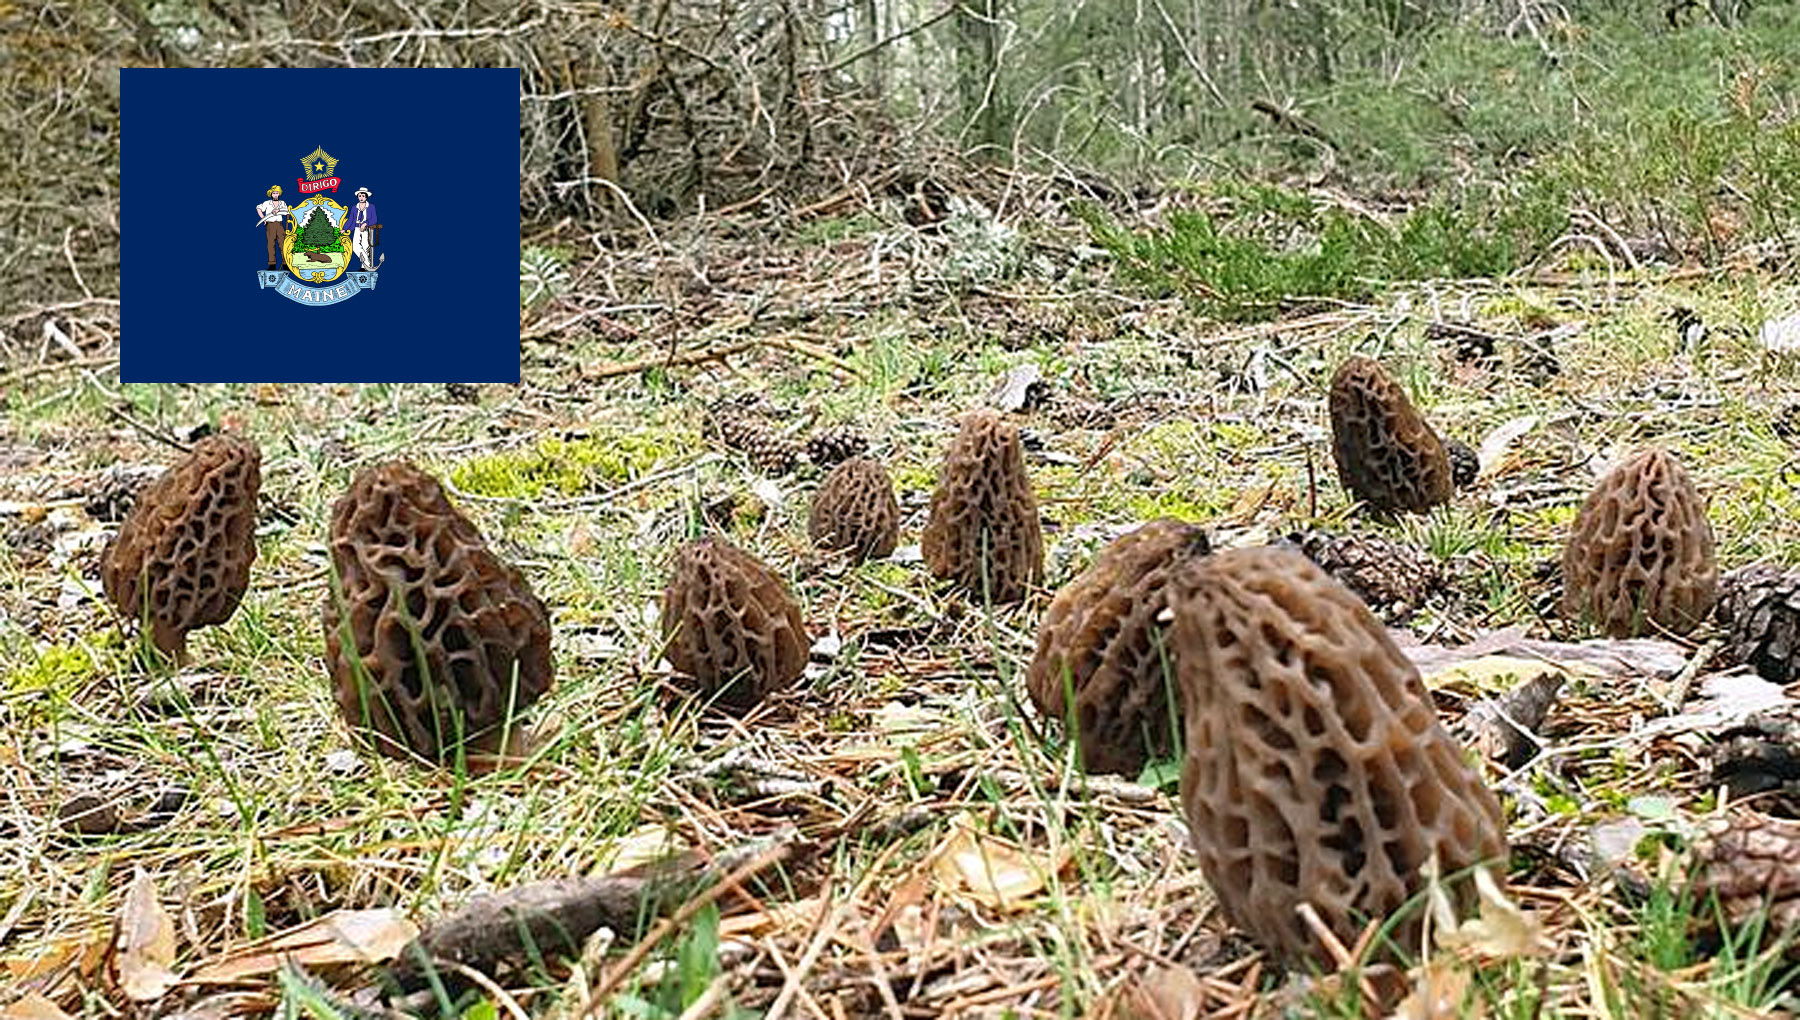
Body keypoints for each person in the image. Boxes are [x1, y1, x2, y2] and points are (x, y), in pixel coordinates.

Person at [342, 187, 382, 272]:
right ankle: (368, 264)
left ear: (366, 197)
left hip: (367, 229)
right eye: (360, 196)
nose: (361, 197)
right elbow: (350, 219)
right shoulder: (354, 207)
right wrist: (344, 229)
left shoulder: (371, 207)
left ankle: (363, 267)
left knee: (365, 247)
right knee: (356, 247)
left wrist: (365, 223)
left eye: (363, 196)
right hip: (357, 228)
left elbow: (374, 219)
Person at [254, 186, 290, 270]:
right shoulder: (267, 203)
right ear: (271, 194)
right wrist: (263, 218)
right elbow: (258, 208)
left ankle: (285, 264)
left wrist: (278, 210)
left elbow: (287, 212)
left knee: (283, 244)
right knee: (271, 245)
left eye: (277, 193)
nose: (275, 194)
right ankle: (272, 265)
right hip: (270, 225)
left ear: (279, 193)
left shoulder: (282, 203)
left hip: (280, 225)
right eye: (274, 193)